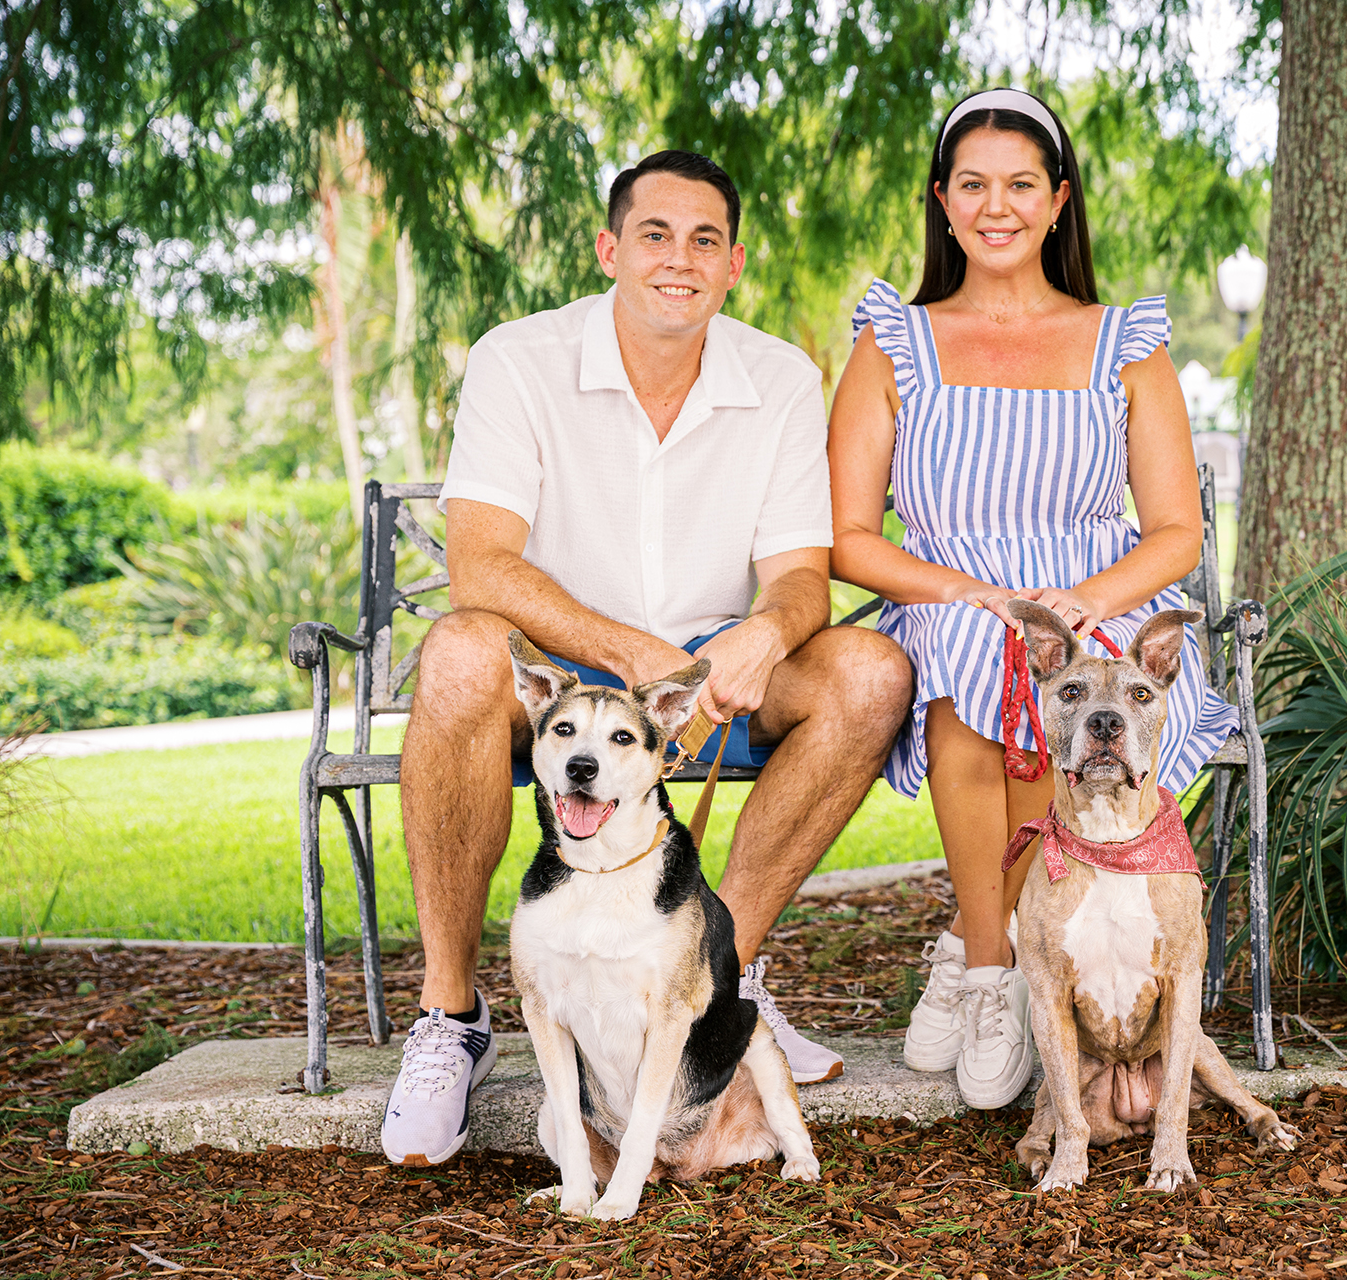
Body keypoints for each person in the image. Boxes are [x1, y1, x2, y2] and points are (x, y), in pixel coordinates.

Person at [381, 150, 913, 1167]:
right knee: (455, 657)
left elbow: (801, 578)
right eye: (655, 235)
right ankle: (451, 1019)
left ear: (734, 263)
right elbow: (479, 567)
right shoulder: (520, 358)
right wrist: (627, 652)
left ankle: (715, 988)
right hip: (558, 656)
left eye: (704, 240)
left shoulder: (780, 377)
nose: (680, 259)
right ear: (609, 249)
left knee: (869, 673)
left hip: (715, 667)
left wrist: (765, 631)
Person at [828, 90, 1239, 1110]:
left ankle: (1016, 951)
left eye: (1019, 184)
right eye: (972, 184)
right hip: (950, 590)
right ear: (942, 200)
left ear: (1058, 201)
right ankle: (986, 974)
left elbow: (1175, 531)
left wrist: (1084, 602)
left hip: (1101, 593)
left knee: (1077, 684)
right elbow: (847, 539)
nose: (995, 204)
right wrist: (969, 591)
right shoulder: (893, 343)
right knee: (972, 668)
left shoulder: (1124, 345)